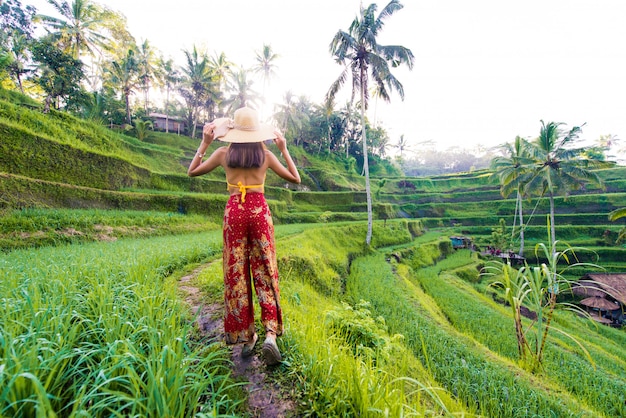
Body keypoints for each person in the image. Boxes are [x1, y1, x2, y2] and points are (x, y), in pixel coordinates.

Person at [187, 106, 301, 365]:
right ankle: (270, 333)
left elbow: (192, 172)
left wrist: (204, 144)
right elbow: (295, 178)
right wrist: (283, 149)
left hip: (235, 214)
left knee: (236, 271)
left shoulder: (223, 154)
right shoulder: (265, 155)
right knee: (265, 269)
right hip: (259, 213)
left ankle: (247, 335)